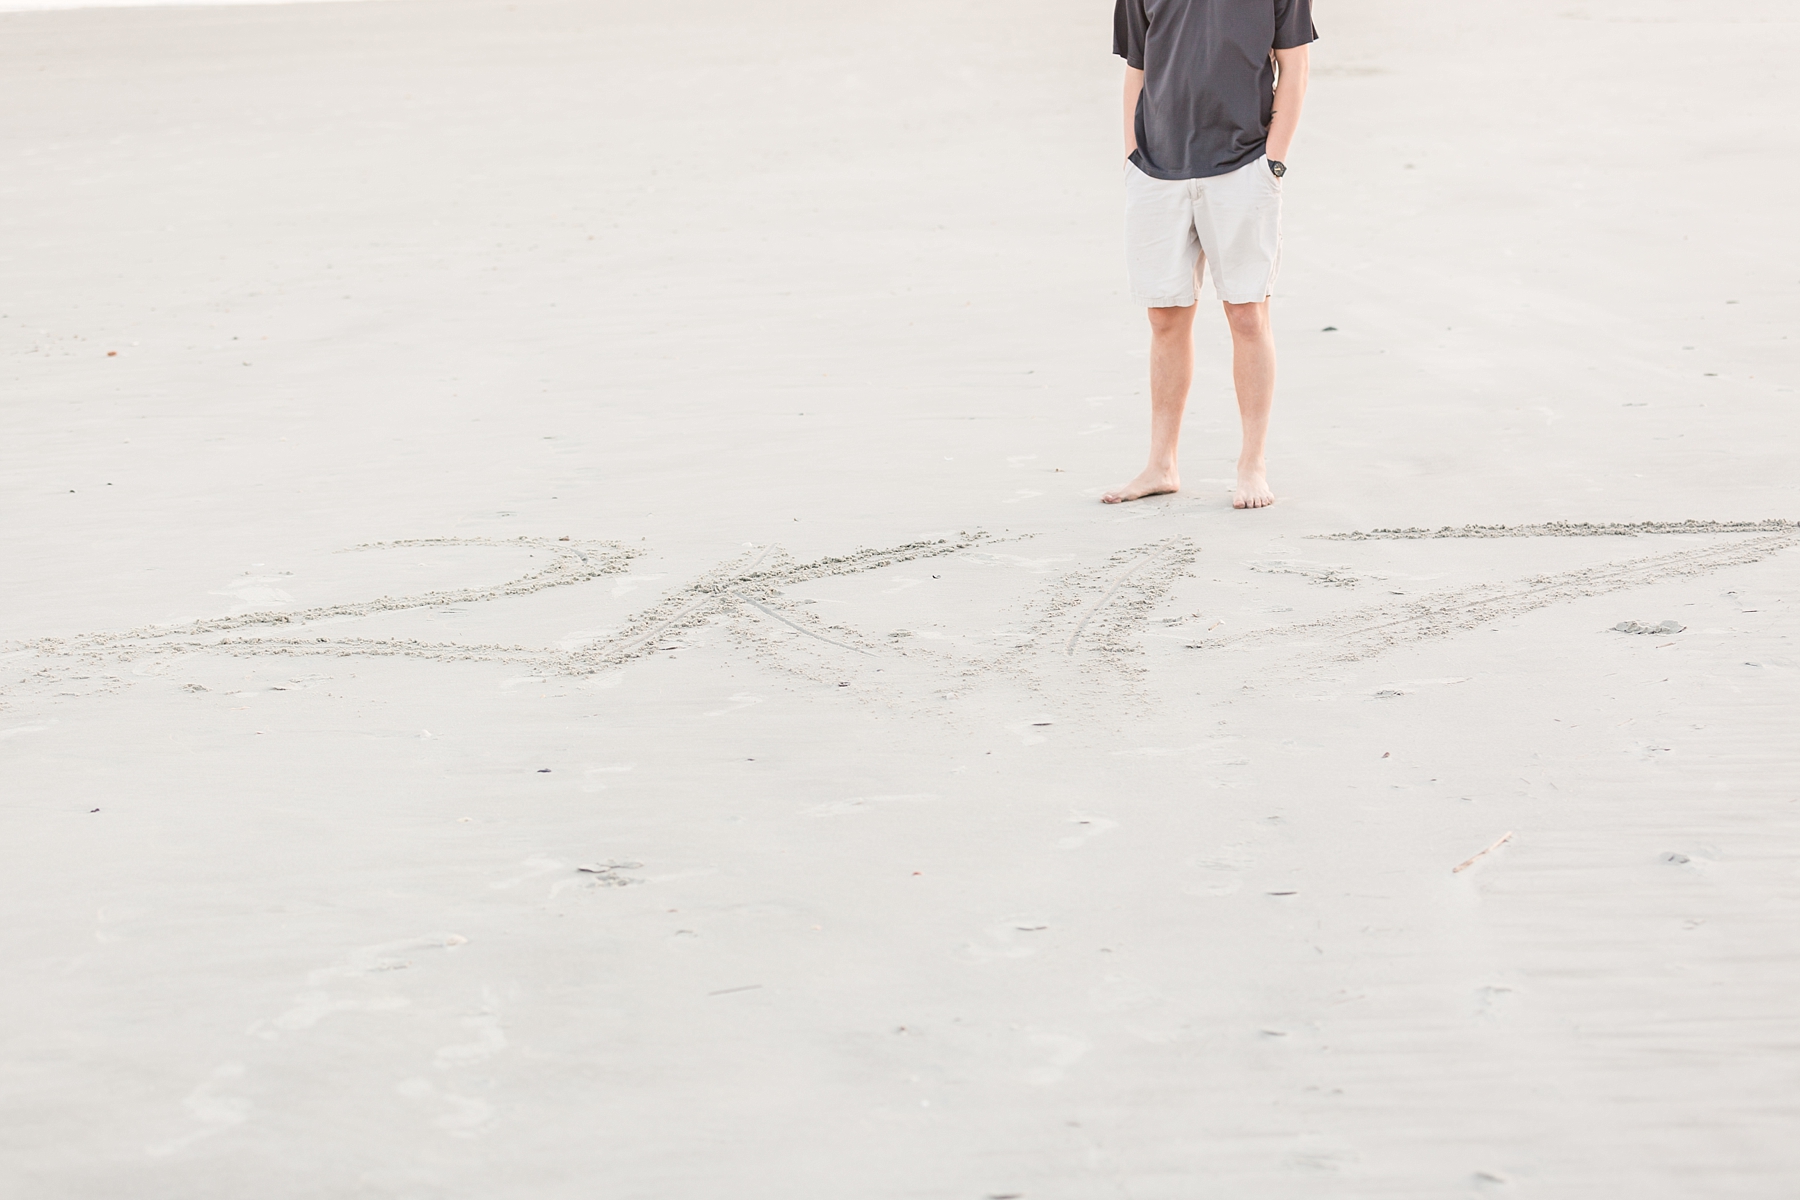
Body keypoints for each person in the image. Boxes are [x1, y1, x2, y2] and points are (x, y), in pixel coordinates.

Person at [1102, 0, 1317, 508]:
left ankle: (1252, 465)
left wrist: (1275, 162)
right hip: (1156, 168)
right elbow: (1137, 67)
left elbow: (1295, 65)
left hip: (1244, 165)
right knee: (1165, 318)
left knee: (1247, 314)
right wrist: (1134, 156)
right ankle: (1161, 464)